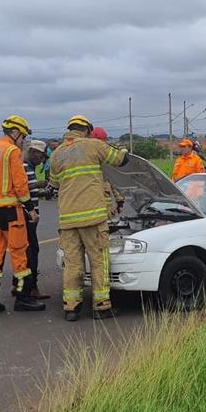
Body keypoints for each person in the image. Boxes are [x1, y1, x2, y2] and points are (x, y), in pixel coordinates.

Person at [49, 115, 128, 321]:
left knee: (72, 264)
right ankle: (101, 306)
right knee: (98, 260)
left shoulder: (57, 154)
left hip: (67, 219)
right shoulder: (94, 145)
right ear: (86, 129)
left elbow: (55, 184)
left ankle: (71, 308)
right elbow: (120, 160)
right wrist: (124, 150)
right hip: (93, 217)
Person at [0, 116, 44, 314]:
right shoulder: (12, 151)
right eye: (23, 137)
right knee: (19, 253)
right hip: (10, 210)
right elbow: (20, 185)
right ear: (15, 133)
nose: (23, 141)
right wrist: (30, 209)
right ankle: (23, 299)